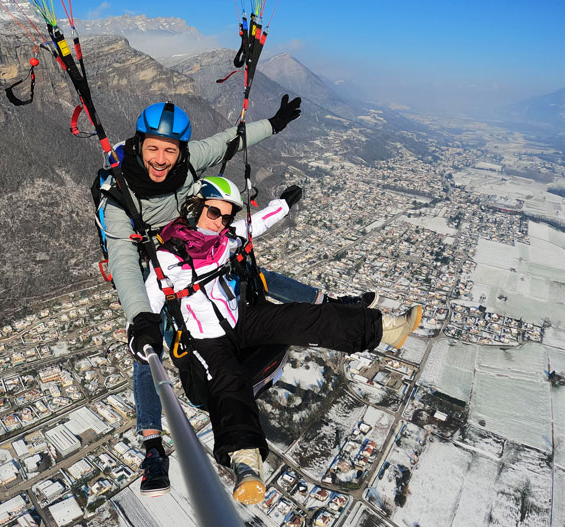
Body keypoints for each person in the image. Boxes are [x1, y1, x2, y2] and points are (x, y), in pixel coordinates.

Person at [98, 98, 374, 497]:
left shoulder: (190, 159)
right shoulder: (120, 200)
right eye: (153, 148)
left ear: (180, 151)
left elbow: (232, 139)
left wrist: (275, 124)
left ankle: (329, 306)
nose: (161, 159)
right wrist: (140, 316)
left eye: (169, 150)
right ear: (140, 145)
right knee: (146, 348)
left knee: (249, 272)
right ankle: (153, 447)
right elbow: (123, 260)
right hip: (153, 263)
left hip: (195, 236)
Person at [141, 176, 423, 504]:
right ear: (194, 208)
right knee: (228, 380)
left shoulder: (223, 239)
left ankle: (387, 329)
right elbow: (148, 304)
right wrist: (144, 334)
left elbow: (253, 225)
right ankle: (246, 464)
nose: (221, 222)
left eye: (227, 216)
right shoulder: (167, 257)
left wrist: (284, 206)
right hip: (203, 338)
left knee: (301, 317)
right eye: (214, 213)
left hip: (238, 319)